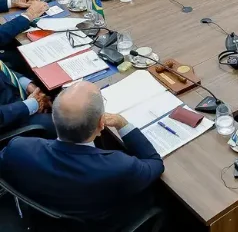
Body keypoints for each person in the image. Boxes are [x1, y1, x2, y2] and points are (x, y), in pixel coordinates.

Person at [0, 81, 163, 227]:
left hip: (40, 218)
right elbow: (154, 162)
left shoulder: (18, 148)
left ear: (53, 118)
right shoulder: (119, 167)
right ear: (101, 124)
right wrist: (123, 124)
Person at [0, 4, 52, 132]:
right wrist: (31, 104)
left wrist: (27, 84)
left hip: (11, 94)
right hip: (10, 121)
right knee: (68, 125)